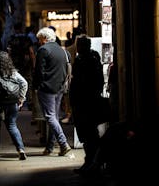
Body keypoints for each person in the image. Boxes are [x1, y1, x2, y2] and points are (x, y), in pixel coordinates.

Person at [0, 50, 28, 161]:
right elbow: (24, 83)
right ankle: (20, 149)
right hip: (12, 104)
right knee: (12, 126)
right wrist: (21, 99)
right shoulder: (14, 72)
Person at [33, 26, 72, 156]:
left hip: (47, 89)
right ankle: (50, 147)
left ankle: (63, 143)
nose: (38, 41)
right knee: (54, 117)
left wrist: (36, 86)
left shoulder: (43, 50)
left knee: (50, 117)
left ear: (44, 38)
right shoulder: (62, 51)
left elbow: (39, 71)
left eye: (39, 39)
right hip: (60, 88)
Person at [69, 35, 105, 175]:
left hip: (85, 102)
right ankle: (91, 161)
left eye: (79, 45)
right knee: (89, 134)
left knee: (88, 134)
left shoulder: (86, 61)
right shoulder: (92, 60)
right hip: (86, 101)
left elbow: (80, 82)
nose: (78, 48)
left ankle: (92, 162)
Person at [7, 22, 36, 112]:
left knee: (16, 84)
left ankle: (18, 103)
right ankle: (30, 103)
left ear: (14, 29)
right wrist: (34, 64)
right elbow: (31, 52)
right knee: (28, 83)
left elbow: (9, 52)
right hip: (26, 64)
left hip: (15, 65)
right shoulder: (26, 39)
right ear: (21, 29)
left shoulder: (11, 40)